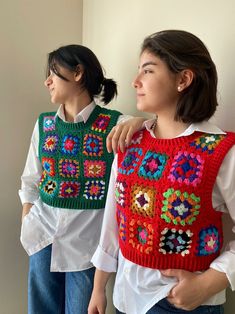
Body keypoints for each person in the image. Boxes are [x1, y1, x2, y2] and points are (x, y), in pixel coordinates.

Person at [88, 30, 235, 314]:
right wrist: (98, 287)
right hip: (125, 295)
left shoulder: (220, 151)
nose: (135, 82)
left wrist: (208, 285)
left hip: (184, 302)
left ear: (183, 79)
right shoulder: (130, 141)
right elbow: (112, 219)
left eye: (148, 70)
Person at [19, 44, 145, 314]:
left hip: (86, 248)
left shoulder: (114, 125)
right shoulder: (45, 125)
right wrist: (27, 217)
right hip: (42, 237)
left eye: (53, 72)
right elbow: (30, 180)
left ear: (78, 73)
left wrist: (139, 121)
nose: (47, 80)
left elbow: (158, 127)